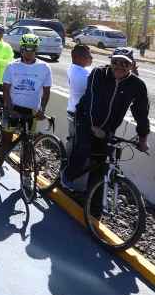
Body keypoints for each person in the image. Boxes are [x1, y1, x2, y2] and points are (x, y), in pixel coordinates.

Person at [62, 48, 150, 192]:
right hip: (86, 119)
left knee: (103, 159)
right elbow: (91, 101)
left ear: (132, 65)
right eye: (115, 62)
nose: (119, 66)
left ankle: (94, 196)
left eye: (125, 63)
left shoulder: (137, 85)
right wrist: (93, 127)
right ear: (110, 62)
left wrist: (143, 138)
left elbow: (141, 112)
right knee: (83, 149)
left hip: (108, 128)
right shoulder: (99, 73)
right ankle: (67, 177)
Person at [0, 34, 52, 186]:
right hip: (13, 108)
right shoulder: (12, 66)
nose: (28, 52)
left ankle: (26, 175)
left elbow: (46, 92)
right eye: (25, 49)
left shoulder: (44, 68)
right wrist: (10, 108)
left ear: (36, 50)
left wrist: (42, 110)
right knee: (5, 141)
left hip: (31, 111)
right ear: (21, 48)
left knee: (28, 144)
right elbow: (6, 90)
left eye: (32, 49)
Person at [65, 44, 93, 154]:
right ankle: (68, 167)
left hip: (72, 110)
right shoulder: (82, 74)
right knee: (77, 145)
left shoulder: (73, 68)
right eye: (88, 56)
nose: (91, 59)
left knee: (72, 140)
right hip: (79, 114)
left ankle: (67, 166)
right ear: (77, 58)